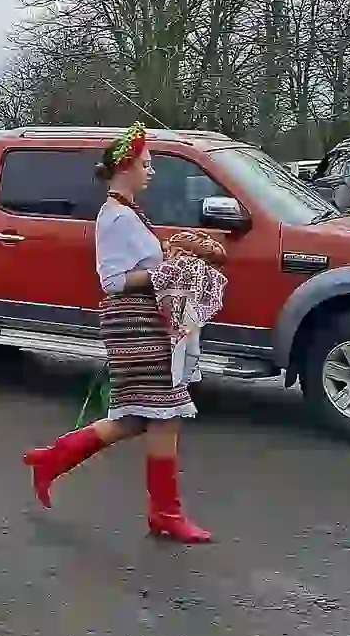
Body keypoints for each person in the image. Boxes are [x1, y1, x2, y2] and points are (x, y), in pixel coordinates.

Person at [23, 123, 211, 544]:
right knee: (165, 411)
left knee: (143, 416)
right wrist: (168, 271)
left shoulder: (127, 213)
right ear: (124, 166)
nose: (151, 172)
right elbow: (112, 280)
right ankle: (165, 512)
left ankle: (56, 458)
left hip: (143, 318)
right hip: (134, 321)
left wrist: (171, 262)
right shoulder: (115, 217)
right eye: (145, 164)